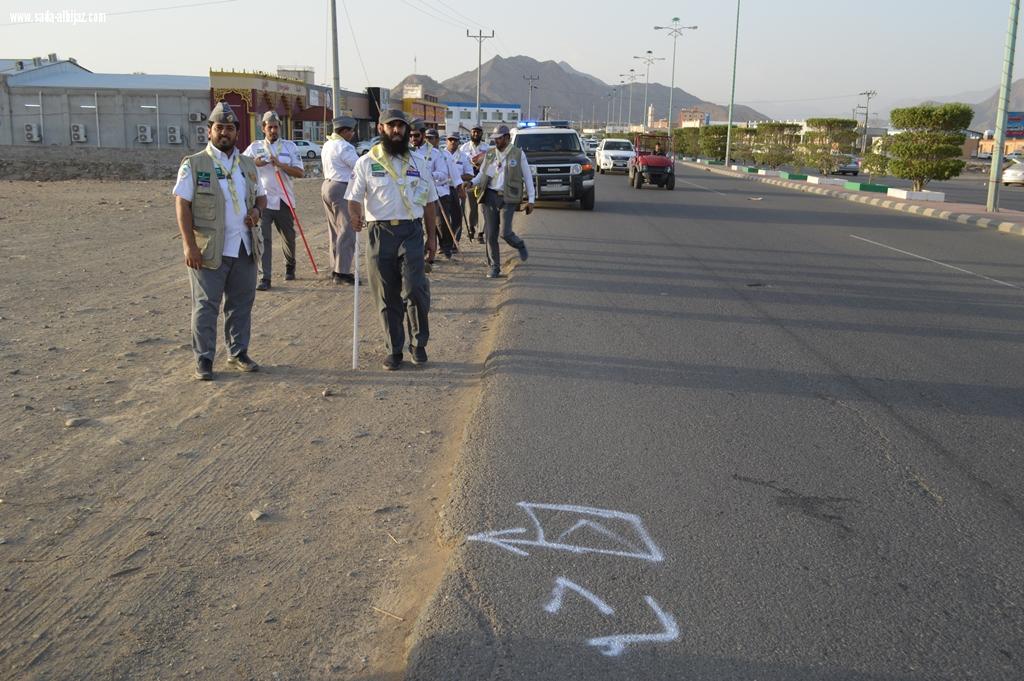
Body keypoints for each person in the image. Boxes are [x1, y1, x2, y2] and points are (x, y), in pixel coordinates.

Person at [173, 100, 267, 380]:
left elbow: (260, 195)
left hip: (244, 246)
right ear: (209, 131)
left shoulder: (247, 164)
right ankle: (204, 359)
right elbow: (182, 205)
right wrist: (188, 245)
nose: (224, 132)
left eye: (229, 128)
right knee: (206, 306)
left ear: (237, 132)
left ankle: (238, 353)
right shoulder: (194, 164)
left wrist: (257, 211)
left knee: (241, 304)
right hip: (208, 249)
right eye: (219, 128)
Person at [346, 109, 439, 370]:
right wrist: (355, 216)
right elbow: (353, 198)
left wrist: (432, 239)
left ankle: (418, 344)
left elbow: (430, 202)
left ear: (408, 130)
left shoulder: (419, 162)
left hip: (411, 232)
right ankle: (394, 349)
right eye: (391, 126)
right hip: (379, 233)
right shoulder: (366, 162)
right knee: (386, 296)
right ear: (380, 129)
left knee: (415, 290)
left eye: (401, 126)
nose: (397, 130)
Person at [243, 111, 304, 291]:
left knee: (289, 237)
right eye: (269, 127)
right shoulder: (254, 147)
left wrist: (281, 165)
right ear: (263, 128)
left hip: (285, 200)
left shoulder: (289, 147)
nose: (273, 130)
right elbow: (241, 166)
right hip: (263, 201)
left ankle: (290, 264)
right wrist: (255, 163)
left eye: (276, 127)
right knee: (264, 239)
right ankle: (265, 277)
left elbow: (300, 172)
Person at [472, 125, 535, 278]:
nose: (496, 141)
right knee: (491, 234)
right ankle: (494, 267)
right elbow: (482, 174)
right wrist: (471, 182)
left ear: (507, 138)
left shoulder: (518, 154)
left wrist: (531, 199)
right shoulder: (490, 154)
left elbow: (527, 177)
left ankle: (519, 244)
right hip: (490, 197)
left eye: (499, 138)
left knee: (505, 233)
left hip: (509, 197)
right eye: (494, 138)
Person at [321, 115, 360, 285]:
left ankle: (335, 267)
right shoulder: (344, 147)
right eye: (351, 131)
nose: (352, 134)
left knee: (335, 231)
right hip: (341, 187)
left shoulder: (328, 144)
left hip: (327, 185)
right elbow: (358, 166)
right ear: (344, 131)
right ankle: (342, 272)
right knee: (347, 229)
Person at [424, 128, 460, 258]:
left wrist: (459, 187)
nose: (428, 140)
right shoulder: (419, 153)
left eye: (431, 138)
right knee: (429, 222)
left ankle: (446, 246)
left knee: (441, 222)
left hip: (442, 190)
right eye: (426, 138)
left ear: (437, 140)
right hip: (424, 193)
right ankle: (431, 247)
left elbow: (452, 174)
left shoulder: (445, 155)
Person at [459, 125, 489, 242]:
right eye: (474, 132)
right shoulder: (464, 148)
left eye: (478, 132)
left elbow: (491, 165)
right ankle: (471, 228)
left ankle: (481, 232)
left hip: (482, 180)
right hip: (469, 181)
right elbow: (460, 164)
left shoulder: (487, 148)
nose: (476, 134)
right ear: (471, 133)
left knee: (482, 207)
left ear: (482, 134)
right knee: (471, 207)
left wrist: (481, 164)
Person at [445, 132, 473, 244]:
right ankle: (445, 243)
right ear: (447, 140)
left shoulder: (464, 157)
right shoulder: (440, 154)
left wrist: (456, 176)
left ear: (458, 142)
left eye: (455, 140)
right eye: (450, 139)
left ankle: (454, 242)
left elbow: (470, 174)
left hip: (458, 189)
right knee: (443, 218)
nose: (452, 142)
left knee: (457, 217)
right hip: (444, 189)